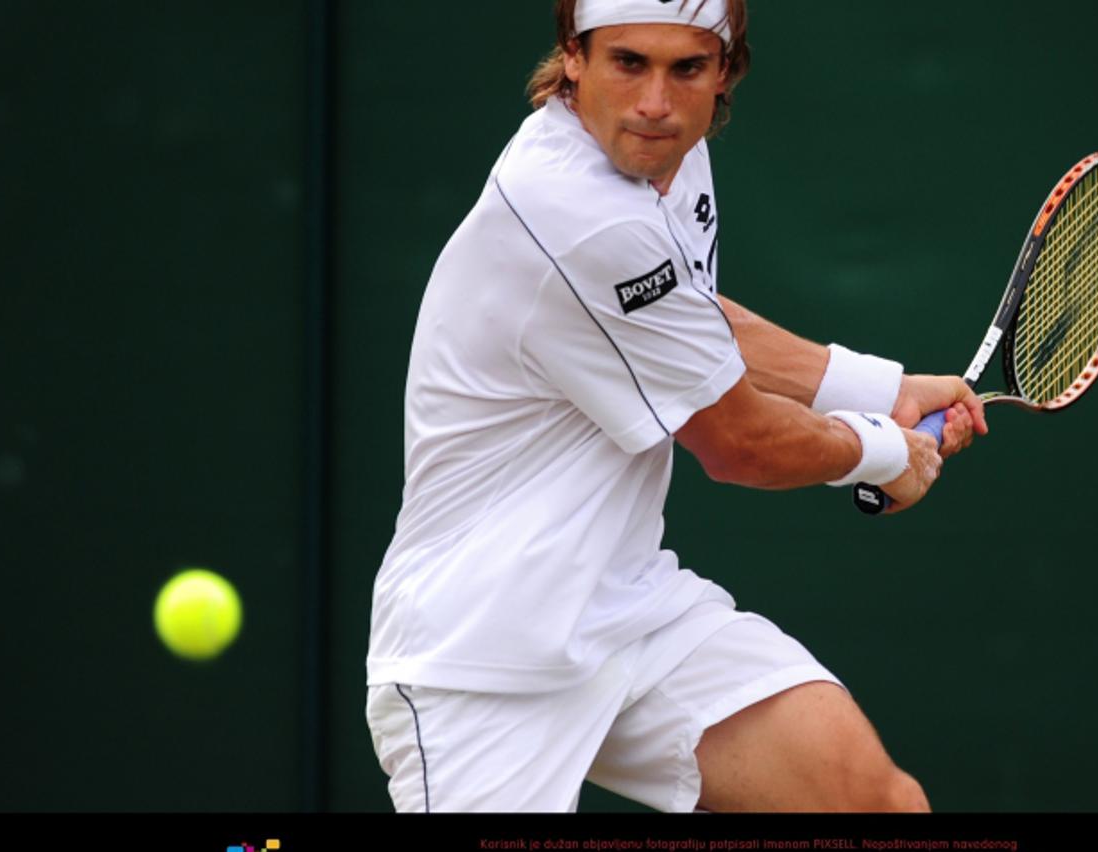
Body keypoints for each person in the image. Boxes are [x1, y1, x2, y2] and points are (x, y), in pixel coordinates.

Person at [365, 0, 987, 813]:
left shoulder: (665, 156)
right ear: (575, 58)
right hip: (485, 658)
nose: (655, 102)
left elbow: (688, 318)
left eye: (685, 68)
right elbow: (739, 444)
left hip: (631, 610)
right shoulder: (577, 211)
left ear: (724, 72)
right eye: (628, 62)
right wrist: (883, 452)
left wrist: (879, 389)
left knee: (874, 805)